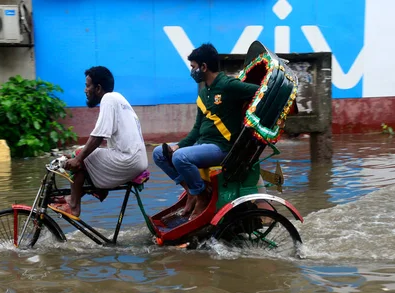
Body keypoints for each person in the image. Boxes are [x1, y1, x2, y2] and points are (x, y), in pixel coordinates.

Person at [153, 43, 260, 220]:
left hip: (223, 148)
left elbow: (260, 92)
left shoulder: (228, 85)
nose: (192, 71)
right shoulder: (203, 94)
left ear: (204, 67)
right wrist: (178, 145)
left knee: (181, 157)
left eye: (193, 67)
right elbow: (196, 130)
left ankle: (201, 196)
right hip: (202, 144)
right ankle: (192, 191)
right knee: (159, 153)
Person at [51, 66, 148, 217]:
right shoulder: (119, 99)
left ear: (98, 88)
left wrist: (78, 158)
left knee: (80, 154)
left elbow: (98, 136)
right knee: (81, 156)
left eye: (87, 85)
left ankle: (74, 205)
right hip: (135, 159)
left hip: (127, 160)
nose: (85, 90)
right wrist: (77, 158)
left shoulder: (108, 99)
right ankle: (76, 196)